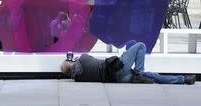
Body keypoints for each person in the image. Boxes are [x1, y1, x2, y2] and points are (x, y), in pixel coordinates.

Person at [60, 41, 196, 85]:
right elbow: (87, 59)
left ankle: (183, 79)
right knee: (140, 45)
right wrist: (76, 59)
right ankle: (139, 73)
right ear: (70, 61)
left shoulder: (78, 78)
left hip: (117, 79)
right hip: (117, 69)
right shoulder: (82, 58)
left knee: (151, 75)